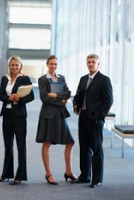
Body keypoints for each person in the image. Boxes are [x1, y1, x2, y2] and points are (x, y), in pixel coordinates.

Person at [72, 54, 113, 188]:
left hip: (95, 120)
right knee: (84, 148)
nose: (90, 64)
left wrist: (99, 116)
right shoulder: (83, 79)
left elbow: (108, 101)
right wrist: (76, 105)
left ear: (98, 64)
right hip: (83, 117)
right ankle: (85, 176)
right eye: (88, 62)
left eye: (93, 62)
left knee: (96, 149)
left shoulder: (104, 80)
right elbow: (78, 94)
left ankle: (97, 179)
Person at [36, 55, 76, 185]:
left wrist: (56, 95)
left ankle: (68, 172)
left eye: (55, 64)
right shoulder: (42, 79)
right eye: (51, 64)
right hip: (48, 115)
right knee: (47, 143)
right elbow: (44, 98)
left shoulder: (61, 78)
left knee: (70, 142)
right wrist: (61, 100)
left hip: (60, 115)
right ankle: (48, 174)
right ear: (47, 64)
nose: (53, 66)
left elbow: (68, 93)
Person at [0, 55, 34, 185]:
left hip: (19, 116)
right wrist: (8, 98)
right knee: (8, 145)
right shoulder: (5, 79)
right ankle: (6, 174)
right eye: (12, 65)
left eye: (17, 65)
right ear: (9, 66)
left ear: (20, 66)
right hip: (7, 114)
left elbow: (31, 96)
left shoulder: (24, 78)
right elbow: (0, 95)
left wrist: (19, 99)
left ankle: (20, 175)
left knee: (20, 145)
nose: (14, 67)